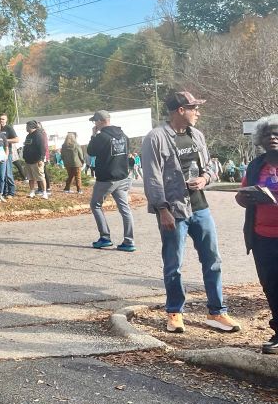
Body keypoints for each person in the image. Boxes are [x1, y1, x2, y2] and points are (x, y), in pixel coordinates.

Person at [141, 91, 241, 334]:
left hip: (200, 208)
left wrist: (205, 178)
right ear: (180, 110)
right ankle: (175, 312)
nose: (198, 112)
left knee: (213, 260)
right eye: (193, 108)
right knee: (173, 263)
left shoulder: (197, 135)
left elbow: (210, 167)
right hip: (173, 210)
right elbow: (152, 178)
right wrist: (162, 209)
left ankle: (217, 312)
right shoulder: (156, 138)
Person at [236, 115, 278, 354]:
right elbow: (242, 195)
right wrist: (244, 197)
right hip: (262, 238)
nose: (272, 137)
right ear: (260, 139)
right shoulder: (255, 166)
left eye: (277, 133)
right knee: (271, 285)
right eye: (267, 134)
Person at [86, 110, 134, 251]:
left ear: (100, 121)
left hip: (106, 178)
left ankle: (105, 237)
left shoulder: (101, 137)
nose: (94, 124)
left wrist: (93, 135)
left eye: (95, 121)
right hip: (122, 177)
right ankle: (129, 241)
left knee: (95, 205)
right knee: (125, 209)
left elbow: (91, 151)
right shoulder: (123, 135)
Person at [22, 121, 49, 199]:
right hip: (28, 160)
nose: (26, 128)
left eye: (27, 126)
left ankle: (44, 193)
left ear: (31, 126)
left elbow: (42, 148)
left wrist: (41, 159)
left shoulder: (38, 135)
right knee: (30, 178)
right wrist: (24, 157)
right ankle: (32, 192)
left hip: (36, 160)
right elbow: (26, 146)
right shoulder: (28, 136)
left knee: (40, 177)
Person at [0, 113, 19, 198]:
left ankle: (11, 192)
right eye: (0, 119)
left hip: (7, 153)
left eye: (3, 119)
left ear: (6, 120)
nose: (1, 120)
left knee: (8, 173)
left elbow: (16, 139)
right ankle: (3, 192)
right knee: (1, 173)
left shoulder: (9, 128)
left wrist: (5, 140)